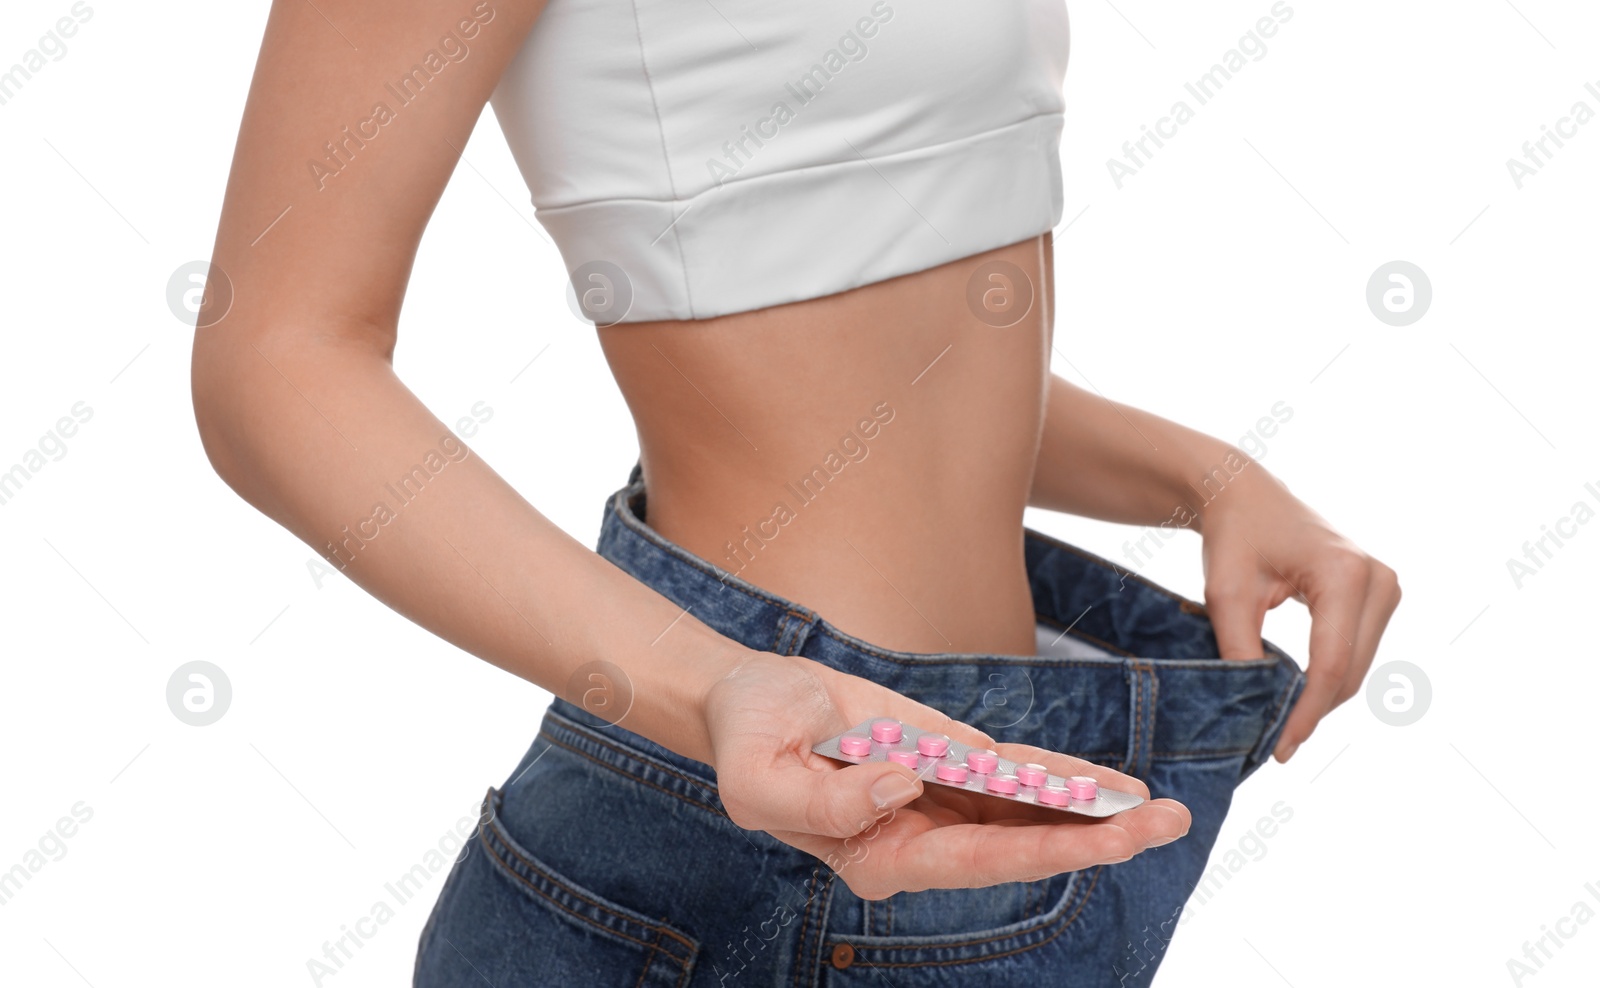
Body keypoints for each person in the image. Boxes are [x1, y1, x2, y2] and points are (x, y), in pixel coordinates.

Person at [190, 1, 1399, 984]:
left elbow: (880, 338)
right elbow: (273, 362)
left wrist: (1206, 480)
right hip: (743, 837)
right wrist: (713, 685)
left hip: (983, 785)